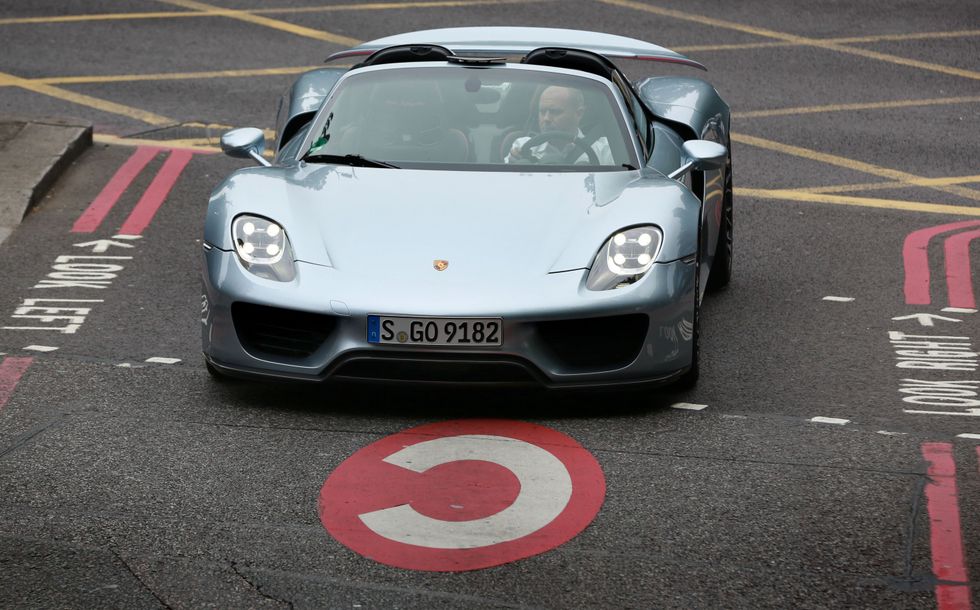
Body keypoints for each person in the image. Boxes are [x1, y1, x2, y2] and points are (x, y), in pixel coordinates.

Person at [505, 85, 614, 165]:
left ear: (578, 113)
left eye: (555, 112)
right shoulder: (523, 147)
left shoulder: (605, 151)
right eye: (542, 112)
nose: (546, 118)